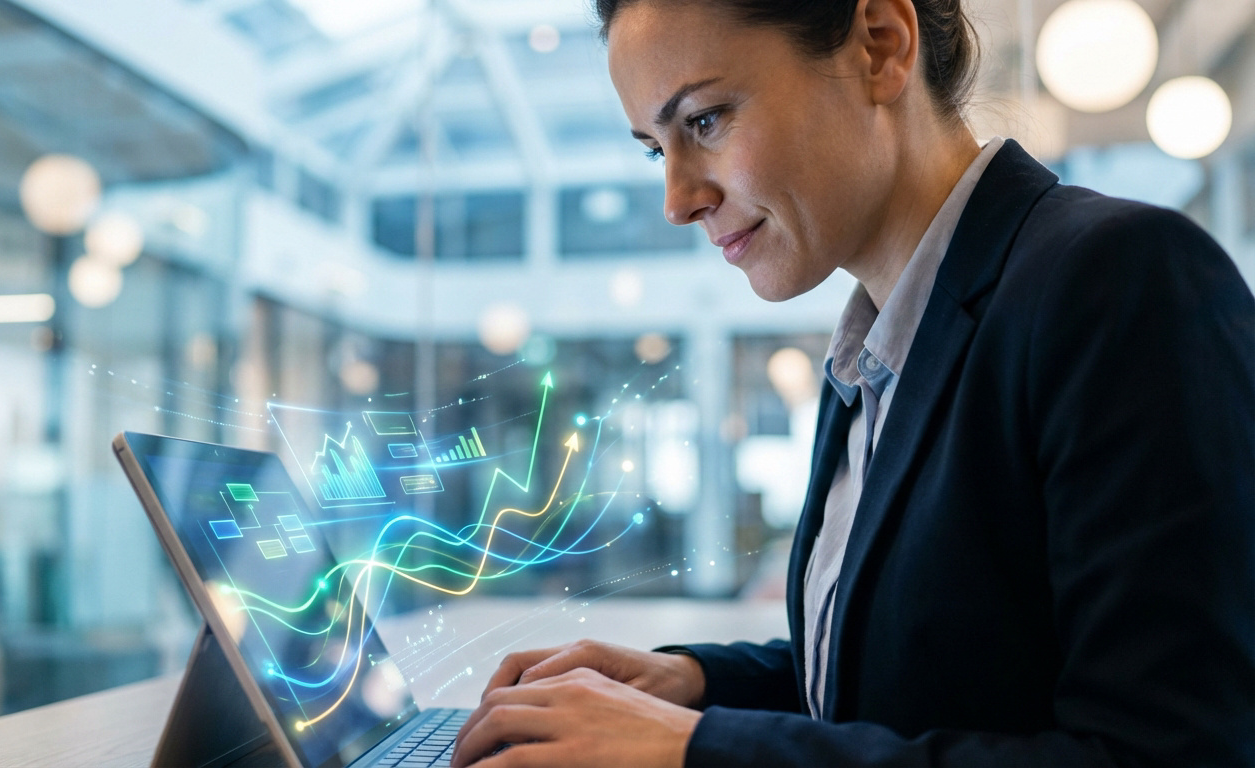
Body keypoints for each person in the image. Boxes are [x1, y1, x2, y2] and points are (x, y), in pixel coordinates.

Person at [451, 0, 1255, 765]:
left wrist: (691, 751)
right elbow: (920, 676)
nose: (678, 199)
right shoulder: (877, 348)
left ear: (880, 44)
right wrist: (698, 683)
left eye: (704, 120)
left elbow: (1168, 751)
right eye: (659, 149)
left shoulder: (1121, 280)